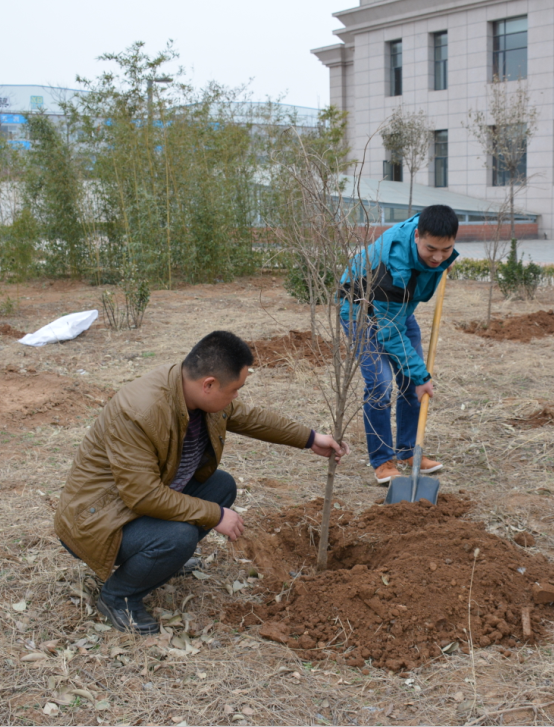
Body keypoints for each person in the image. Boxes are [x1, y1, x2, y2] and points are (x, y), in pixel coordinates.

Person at [54, 331, 349, 635]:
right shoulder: (140, 411)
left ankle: (160, 561)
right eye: (235, 390)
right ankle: (118, 597)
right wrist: (216, 516)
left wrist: (311, 439)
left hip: (136, 503)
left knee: (221, 487)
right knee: (180, 536)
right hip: (98, 520)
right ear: (209, 384)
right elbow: (142, 496)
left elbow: (249, 417)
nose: (236, 397)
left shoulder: (190, 389)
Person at [339, 204, 459, 484]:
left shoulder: (432, 238)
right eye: (432, 249)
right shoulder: (393, 270)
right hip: (362, 312)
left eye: (447, 249)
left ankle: (408, 451)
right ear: (417, 236)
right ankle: (382, 460)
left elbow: (437, 254)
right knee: (380, 384)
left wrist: (441, 259)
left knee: (410, 380)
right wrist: (422, 376)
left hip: (396, 310)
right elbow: (390, 333)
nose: (439, 257)